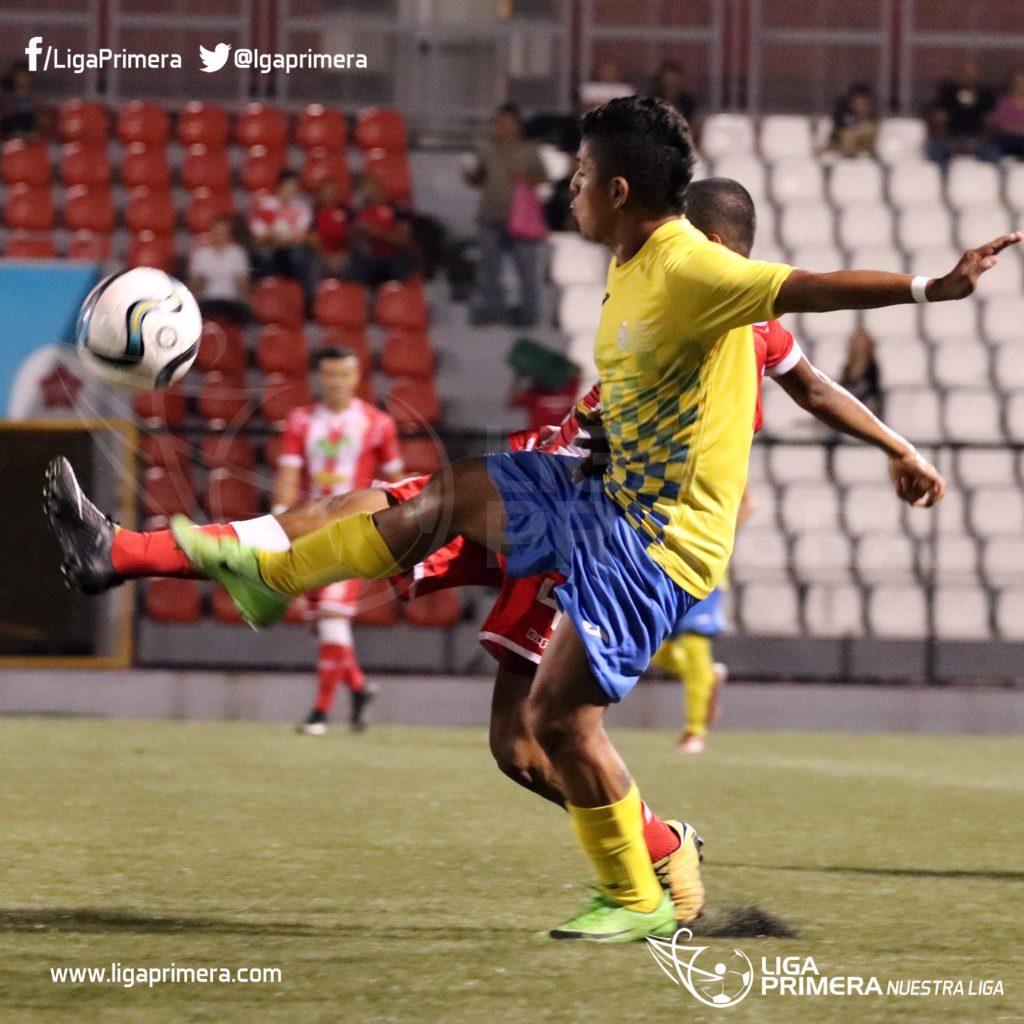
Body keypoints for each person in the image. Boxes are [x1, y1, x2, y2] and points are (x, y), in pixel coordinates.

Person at [169, 96, 1004, 943]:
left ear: (613, 188)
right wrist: (898, 448)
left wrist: (933, 287)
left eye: (575, 175)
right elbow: (790, 380)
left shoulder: (695, 271)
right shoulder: (632, 257)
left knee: (552, 726)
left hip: (652, 537)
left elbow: (806, 292)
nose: (562, 187)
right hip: (594, 493)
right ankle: (273, 579)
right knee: (451, 496)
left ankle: (638, 891)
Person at [275, 348, 406, 733]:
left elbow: (397, 479)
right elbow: (288, 473)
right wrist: (282, 522)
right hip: (312, 527)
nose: (336, 382)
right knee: (324, 625)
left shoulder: (378, 423)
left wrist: (395, 524)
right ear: (320, 377)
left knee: (332, 616)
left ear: (356, 377)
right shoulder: (301, 420)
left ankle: (319, 714)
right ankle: (360, 688)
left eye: (344, 375)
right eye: (329, 375)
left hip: (354, 530)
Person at [464, 104, 547, 327]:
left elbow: (543, 176)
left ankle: (529, 314)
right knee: (489, 269)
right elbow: (478, 179)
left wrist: (526, 178)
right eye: (498, 122)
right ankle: (492, 311)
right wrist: (469, 175)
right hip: (491, 215)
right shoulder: (484, 148)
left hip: (520, 219)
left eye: (506, 122)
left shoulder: (529, 149)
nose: (502, 127)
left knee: (526, 271)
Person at [249, 171, 316, 313]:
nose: (291, 191)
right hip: (269, 248)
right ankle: (260, 301)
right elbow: (259, 236)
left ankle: (303, 304)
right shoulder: (265, 206)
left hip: (291, 250)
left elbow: (301, 236)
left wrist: (279, 237)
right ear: (279, 187)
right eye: (287, 187)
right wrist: (278, 238)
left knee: (301, 257)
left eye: (294, 188)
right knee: (263, 254)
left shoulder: (302, 207)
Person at [341, 174, 417, 287]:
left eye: (371, 186)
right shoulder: (357, 213)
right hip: (370, 258)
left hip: (395, 256)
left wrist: (375, 233)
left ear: (380, 187)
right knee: (354, 265)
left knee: (401, 262)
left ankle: (401, 298)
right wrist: (357, 234)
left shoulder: (398, 209)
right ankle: (357, 299)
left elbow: (403, 239)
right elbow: (351, 245)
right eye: (364, 188)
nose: (368, 191)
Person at [925, 60, 997, 166]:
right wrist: (948, 143)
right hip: (951, 138)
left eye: (972, 74)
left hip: (977, 140)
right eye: (965, 74)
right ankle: (944, 179)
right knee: (932, 147)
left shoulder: (986, 97)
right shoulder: (947, 95)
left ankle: (982, 179)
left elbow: (989, 124)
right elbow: (939, 122)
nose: (968, 77)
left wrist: (978, 143)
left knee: (993, 152)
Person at [187, 216, 252, 324]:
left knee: (245, 313)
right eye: (217, 232)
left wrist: (244, 288)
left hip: (231, 299)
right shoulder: (201, 255)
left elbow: (243, 283)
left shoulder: (237, 253)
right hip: (208, 299)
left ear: (229, 234)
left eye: (223, 232)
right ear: (211, 232)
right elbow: (194, 285)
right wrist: (199, 282)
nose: (219, 235)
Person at [311, 178, 351, 281]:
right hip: (320, 255)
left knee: (353, 263)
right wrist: (327, 258)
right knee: (312, 264)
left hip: (343, 255)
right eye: (326, 191)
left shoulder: (347, 211)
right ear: (319, 193)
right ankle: (313, 296)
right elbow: (312, 238)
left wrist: (342, 255)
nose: (329, 194)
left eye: (332, 191)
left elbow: (353, 235)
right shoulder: (313, 212)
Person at [839, 327, 884, 418]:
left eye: (862, 344)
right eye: (857, 344)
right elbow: (843, 386)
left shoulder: (873, 367)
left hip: (866, 404)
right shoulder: (847, 368)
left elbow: (874, 390)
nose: (860, 347)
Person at [829, 83, 878, 158]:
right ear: (851, 102)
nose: (861, 107)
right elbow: (836, 135)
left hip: (862, 150)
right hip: (844, 148)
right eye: (858, 103)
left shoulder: (871, 118)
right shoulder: (843, 115)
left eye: (865, 104)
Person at [985, 69, 1024, 160]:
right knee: (991, 147)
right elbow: (1000, 124)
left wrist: (1013, 127)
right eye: (1018, 83)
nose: (1021, 86)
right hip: (1005, 139)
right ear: (1013, 84)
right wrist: (1019, 129)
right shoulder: (1004, 101)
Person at [0, 61, 39, 140]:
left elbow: (35, 114)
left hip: (27, 124)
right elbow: (6, 111)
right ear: (13, 77)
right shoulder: (7, 95)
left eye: (25, 77)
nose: (23, 80)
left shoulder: (33, 96)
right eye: (20, 76)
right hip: (12, 124)